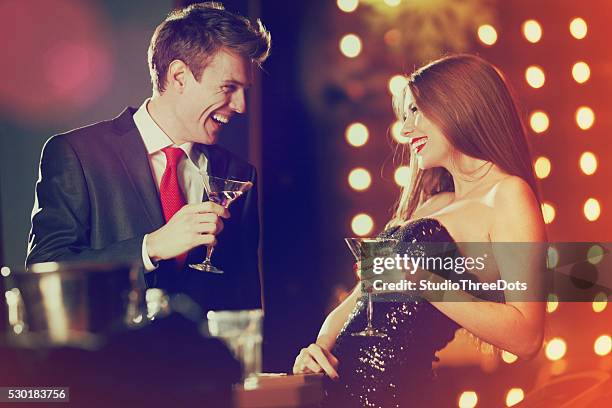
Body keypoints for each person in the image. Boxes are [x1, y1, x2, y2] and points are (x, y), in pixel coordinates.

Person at [293, 54, 547, 407]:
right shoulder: (430, 202)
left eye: (417, 111)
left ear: (459, 105)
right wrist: (317, 350)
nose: (406, 129)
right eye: (404, 115)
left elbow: (527, 335)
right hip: (337, 393)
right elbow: (359, 298)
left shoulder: (507, 194)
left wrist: (424, 281)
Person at [26, 2, 271, 312]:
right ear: (179, 76)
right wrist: (150, 247)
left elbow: (244, 304)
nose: (240, 105)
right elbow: (44, 271)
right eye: (229, 87)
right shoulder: (75, 154)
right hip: (107, 359)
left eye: (244, 90)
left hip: (203, 361)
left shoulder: (240, 174)